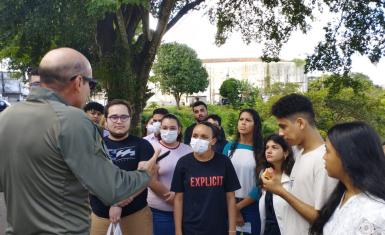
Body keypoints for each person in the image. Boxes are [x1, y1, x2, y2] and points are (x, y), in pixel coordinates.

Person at [0, 48, 158, 234]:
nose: (89, 92)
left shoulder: (6, 116)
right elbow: (114, 189)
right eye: (90, 84)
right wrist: (145, 173)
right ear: (78, 81)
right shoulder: (72, 119)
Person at [262, 93, 338, 235]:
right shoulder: (299, 153)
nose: (280, 133)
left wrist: (281, 192)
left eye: (283, 126)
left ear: (301, 123)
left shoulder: (325, 160)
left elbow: (322, 218)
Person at [90, 99, 155, 235]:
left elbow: (144, 178)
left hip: (136, 216)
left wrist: (118, 203)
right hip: (100, 217)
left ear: (130, 119)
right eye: (114, 117)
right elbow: (91, 179)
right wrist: (113, 202)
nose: (119, 121)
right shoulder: (94, 146)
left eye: (124, 117)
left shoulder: (142, 145)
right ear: (106, 120)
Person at [310, 122, 385, 234]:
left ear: (347, 155)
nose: (324, 157)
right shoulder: (343, 194)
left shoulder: (375, 213)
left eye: (327, 151)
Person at [171, 122, 241, 235]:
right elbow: (178, 199)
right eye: (195, 136)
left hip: (219, 228)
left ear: (213, 141)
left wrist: (232, 230)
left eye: (204, 137)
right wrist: (178, 231)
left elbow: (230, 198)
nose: (198, 140)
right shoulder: (183, 163)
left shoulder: (224, 162)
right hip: (190, 228)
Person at [147, 114, 192, 235]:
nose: (168, 131)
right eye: (165, 128)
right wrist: (177, 202)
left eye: (172, 128)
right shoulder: (151, 148)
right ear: (159, 129)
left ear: (179, 130)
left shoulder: (188, 150)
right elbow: (151, 181)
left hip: (187, 211)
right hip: (160, 212)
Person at [223, 109, 264, 235]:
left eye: (248, 120)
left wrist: (237, 208)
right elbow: (223, 178)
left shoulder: (261, 150)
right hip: (228, 203)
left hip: (252, 207)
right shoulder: (229, 147)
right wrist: (233, 207)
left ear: (255, 125)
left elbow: (261, 183)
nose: (243, 123)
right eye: (241, 119)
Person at [258, 134, 294, 235]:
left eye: (274, 147)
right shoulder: (264, 174)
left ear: (286, 152)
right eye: (267, 148)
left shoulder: (293, 177)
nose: (269, 151)